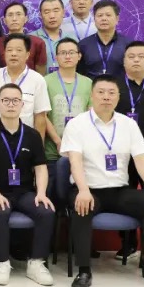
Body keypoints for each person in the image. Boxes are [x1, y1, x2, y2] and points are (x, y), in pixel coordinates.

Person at [59, 75, 144, 287]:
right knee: (81, 207)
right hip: (88, 189)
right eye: (101, 92)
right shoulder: (77, 124)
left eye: (111, 93)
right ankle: (84, 271)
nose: (106, 97)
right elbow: (75, 161)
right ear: (92, 96)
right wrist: (83, 190)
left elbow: (141, 160)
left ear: (118, 97)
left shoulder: (128, 124)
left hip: (120, 190)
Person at [0, 84, 55, 286]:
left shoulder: (32, 135)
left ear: (22, 105)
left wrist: (41, 193)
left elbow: (41, 168)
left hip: (24, 192)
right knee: (0, 211)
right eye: (6, 100)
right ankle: (2, 262)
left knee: (46, 211)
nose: (11, 104)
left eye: (15, 100)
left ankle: (36, 263)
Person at [44, 38, 92, 185]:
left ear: (79, 56)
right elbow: (42, 116)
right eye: (63, 53)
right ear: (56, 57)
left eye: (71, 52)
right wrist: (58, 141)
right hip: (53, 150)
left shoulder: (88, 83)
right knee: (53, 190)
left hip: (81, 149)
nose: (67, 56)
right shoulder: (45, 81)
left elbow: (90, 115)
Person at [0, 34, 51, 137]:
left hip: (25, 139)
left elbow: (40, 116)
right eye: (9, 50)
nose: (13, 54)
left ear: (27, 55)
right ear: (4, 54)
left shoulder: (37, 80)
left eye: (19, 50)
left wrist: (39, 144)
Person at [77, 0, 132, 78]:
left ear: (117, 19)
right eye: (100, 15)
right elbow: (78, 74)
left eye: (108, 15)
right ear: (94, 19)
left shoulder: (129, 45)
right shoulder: (83, 45)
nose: (104, 19)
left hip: (119, 86)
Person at [0, 2, 47, 74]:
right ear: (4, 21)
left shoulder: (37, 42)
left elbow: (40, 71)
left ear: (26, 19)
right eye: (10, 15)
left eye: (18, 14)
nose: (14, 19)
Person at [31, 0, 67, 74]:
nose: (52, 16)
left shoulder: (72, 38)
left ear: (63, 12)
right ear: (40, 15)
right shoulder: (31, 39)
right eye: (47, 12)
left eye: (56, 11)